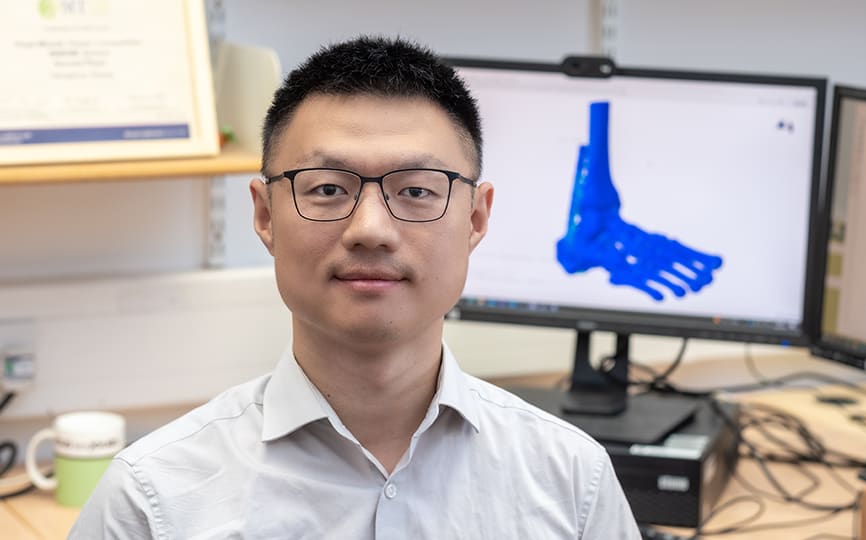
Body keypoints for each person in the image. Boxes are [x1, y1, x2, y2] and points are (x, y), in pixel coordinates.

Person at [70, 36, 642, 539]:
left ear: (475, 219)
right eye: (326, 189)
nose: (370, 229)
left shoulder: (573, 484)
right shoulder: (151, 502)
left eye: (417, 191)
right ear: (265, 216)